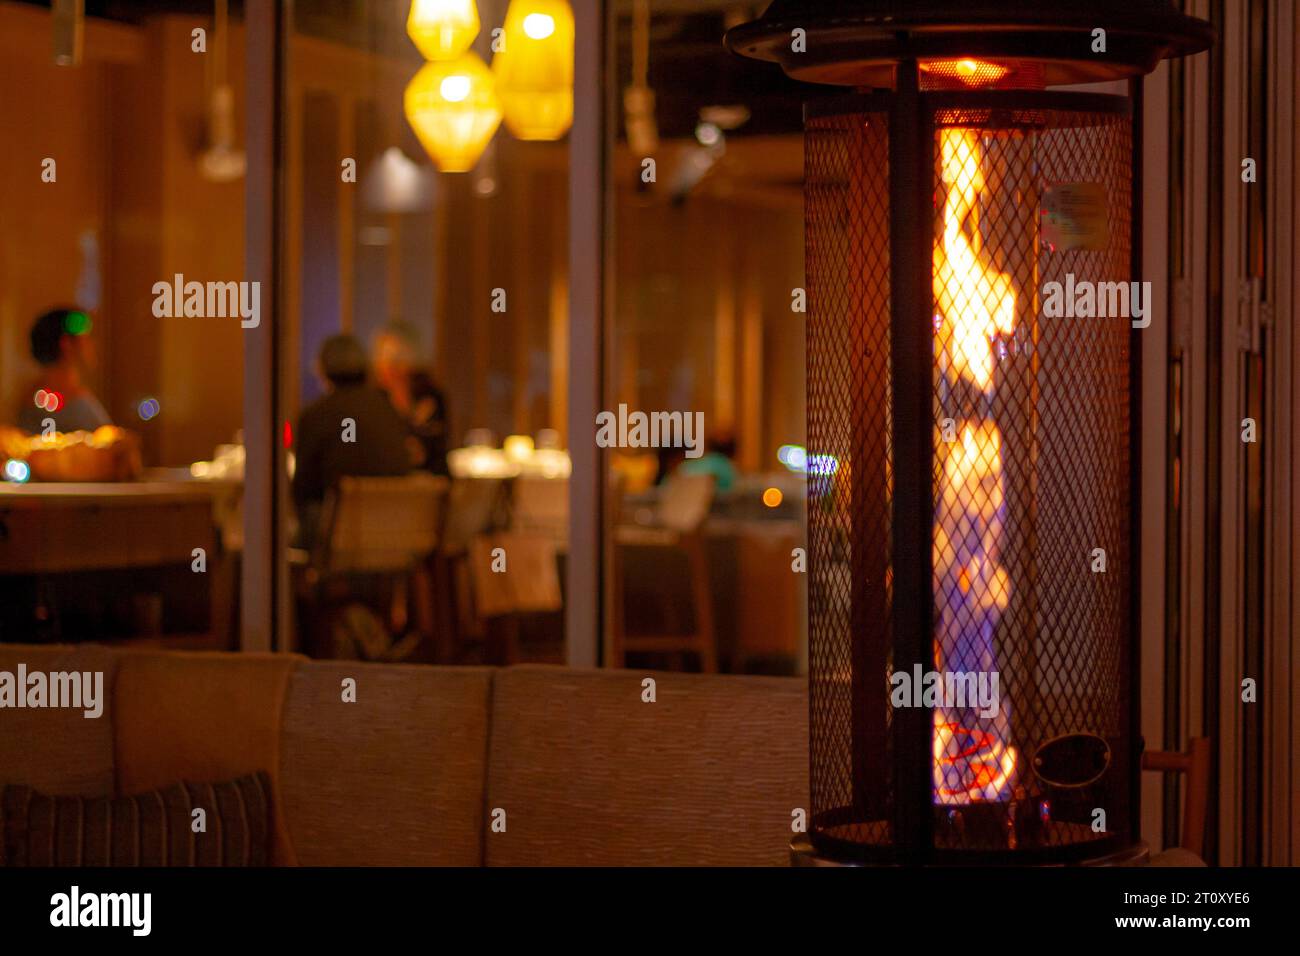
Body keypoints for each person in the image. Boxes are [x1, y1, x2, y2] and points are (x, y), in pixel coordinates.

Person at [292, 334, 412, 549]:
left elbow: (303, 487)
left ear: (323, 369)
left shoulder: (316, 415)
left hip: (336, 540)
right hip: (394, 539)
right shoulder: (388, 409)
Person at [371, 323, 451, 476]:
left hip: (429, 485)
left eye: (396, 359)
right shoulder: (373, 401)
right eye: (382, 357)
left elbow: (439, 448)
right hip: (386, 486)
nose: (388, 367)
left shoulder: (431, 397)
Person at [18, 308, 111, 434]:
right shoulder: (76, 405)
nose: (92, 344)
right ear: (66, 344)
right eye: (86, 338)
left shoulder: (31, 398)